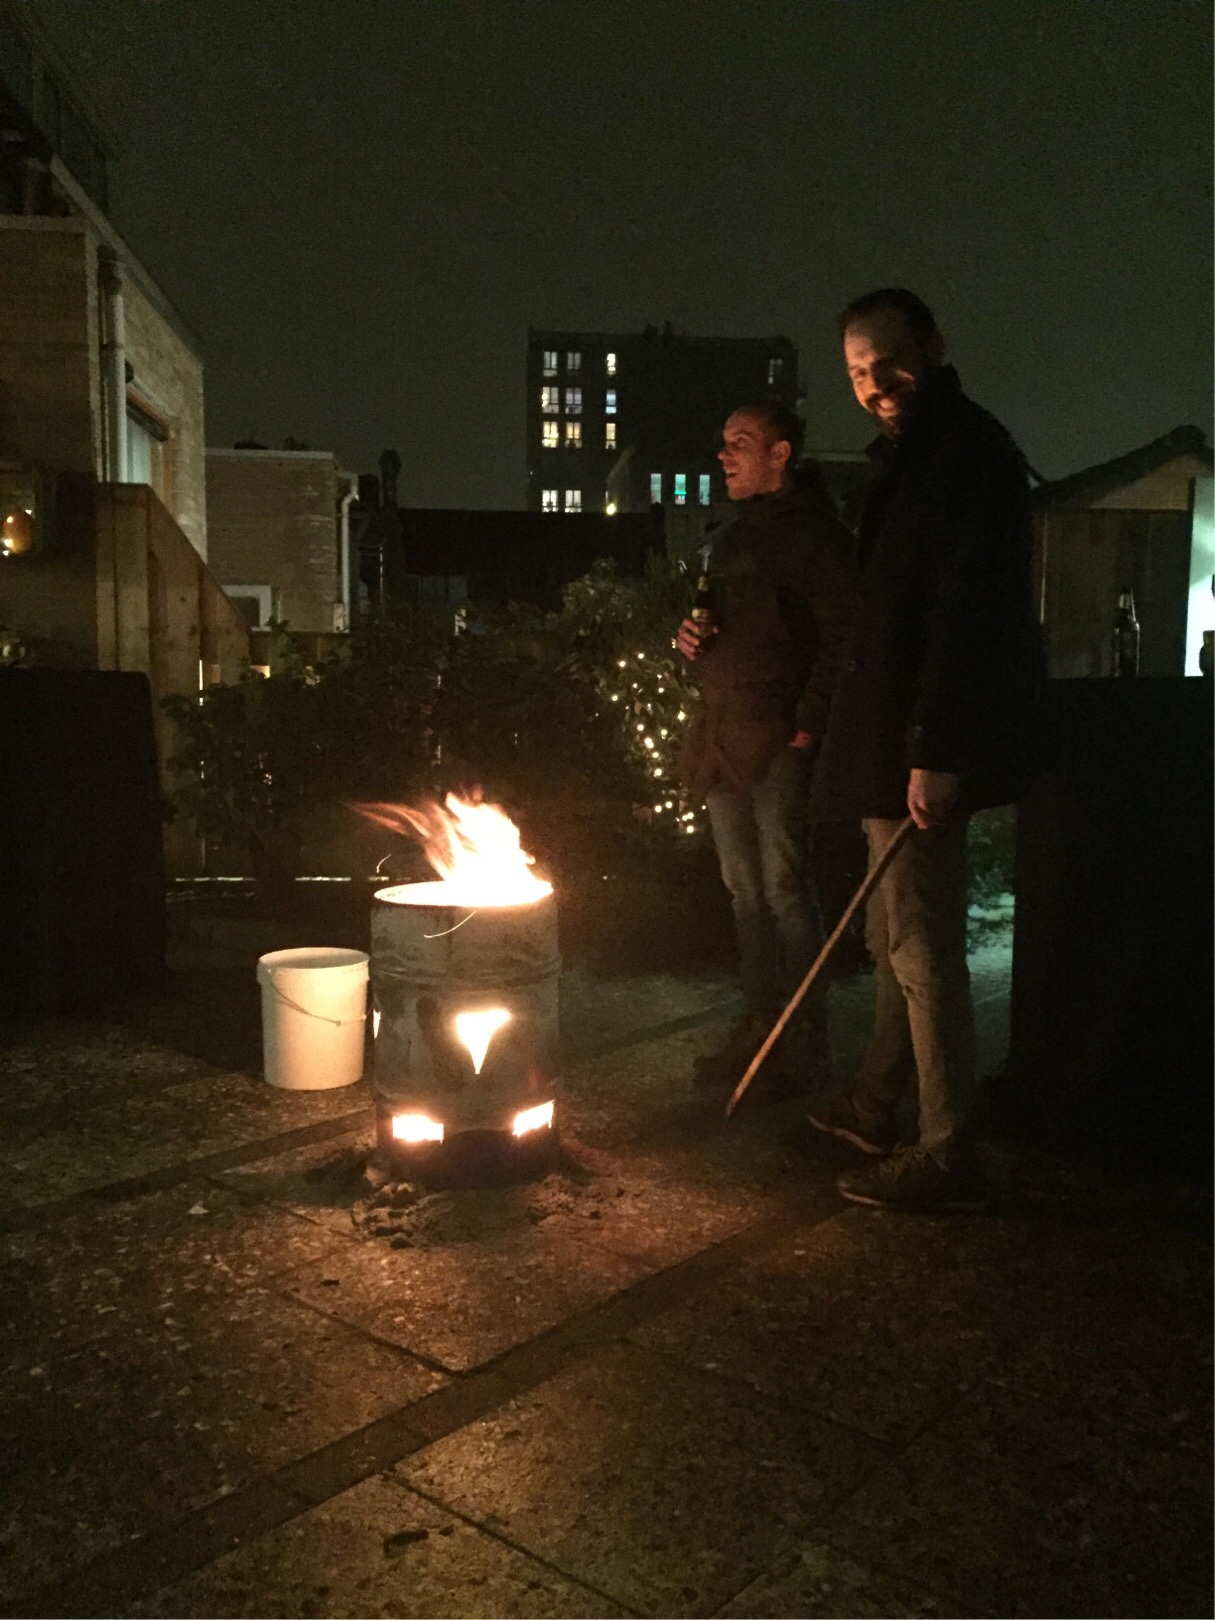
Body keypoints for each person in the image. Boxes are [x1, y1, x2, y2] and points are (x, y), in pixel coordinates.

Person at [808, 288, 1047, 1209]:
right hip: (891, 737)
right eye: (857, 372)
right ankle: (874, 1102)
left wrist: (937, 750)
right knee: (892, 935)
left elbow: (968, 615)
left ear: (933, 346)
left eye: (887, 362)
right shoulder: (913, 454)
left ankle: (949, 1151)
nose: (874, 384)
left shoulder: (965, 454)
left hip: (919, 743)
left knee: (920, 947)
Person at [677, 400, 858, 1100]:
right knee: (744, 891)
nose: (724, 456)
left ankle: (803, 1040)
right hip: (721, 739)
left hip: (779, 739)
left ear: (780, 454)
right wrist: (686, 642)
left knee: (784, 890)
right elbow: (714, 634)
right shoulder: (726, 542)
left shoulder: (818, 540)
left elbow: (844, 638)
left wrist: (806, 725)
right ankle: (760, 1023)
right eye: (723, 442)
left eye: (741, 443)